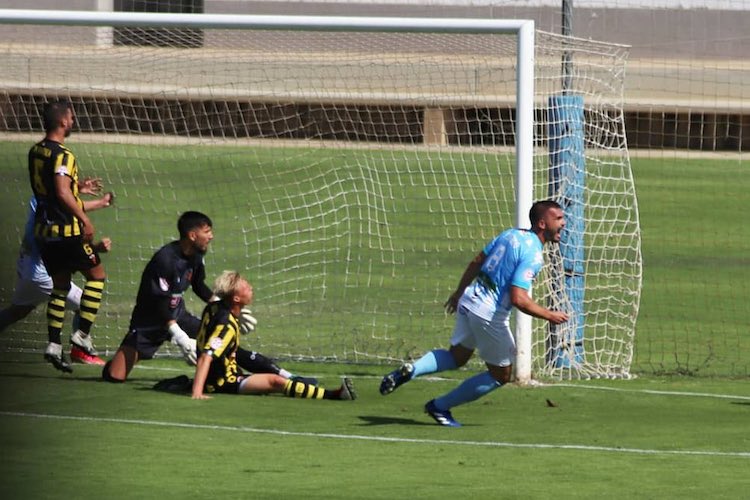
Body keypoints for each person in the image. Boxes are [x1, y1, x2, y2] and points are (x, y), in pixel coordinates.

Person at [379, 200, 570, 427]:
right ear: (541, 223)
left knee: (456, 357)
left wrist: (459, 292)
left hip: (470, 299)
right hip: (488, 314)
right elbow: (519, 298)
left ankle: (412, 369)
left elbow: (477, 261)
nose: (563, 223)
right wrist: (549, 315)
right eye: (558, 219)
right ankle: (439, 407)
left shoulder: (510, 235)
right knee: (501, 375)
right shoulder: (534, 256)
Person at [102, 211, 315, 384]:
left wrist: (223, 307)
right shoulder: (165, 260)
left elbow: (198, 285)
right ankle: (113, 365)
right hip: (150, 321)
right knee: (115, 376)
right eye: (207, 231)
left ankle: (288, 377)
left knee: (229, 346)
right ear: (192, 235)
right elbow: (159, 303)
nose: (211, 236)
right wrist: (179, 335)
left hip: (178, 314)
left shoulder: (197, 255)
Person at [29, 100, 110, 372]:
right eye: (72, 118)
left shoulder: (35, 151)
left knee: (60, 286)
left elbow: (54, 190)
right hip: (66, 231)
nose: (73, 122)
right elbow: (62, 194)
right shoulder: (63, 154)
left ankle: (53, 344)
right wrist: (85, 218)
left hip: (44, 231)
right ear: (63, 122)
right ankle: (82, 334)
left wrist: (78, 187)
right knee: (97, 276)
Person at [191, 270, 355, 401]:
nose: (251, 288)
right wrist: (197, 392)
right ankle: (334, 395)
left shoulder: (214, 307)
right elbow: (206, 356)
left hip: (225, 373)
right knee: (275, 382)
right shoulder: (226, 324)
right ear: (236, 298)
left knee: (252, 358)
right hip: (223, 382)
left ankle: (295, 379)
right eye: (246, 287)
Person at [0, 185, 114, 366]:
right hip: (41, 273)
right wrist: (95, 248)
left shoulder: (39, 202)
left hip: (26, 264)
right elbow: (67, 246)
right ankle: (80, 351)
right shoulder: (54, 219)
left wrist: (82, 192)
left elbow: (63, 201)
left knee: (18, 310)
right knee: (85, 304)